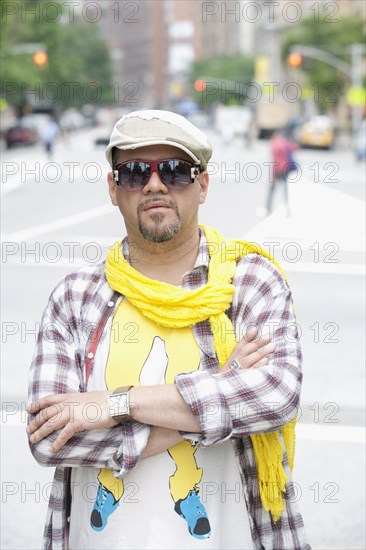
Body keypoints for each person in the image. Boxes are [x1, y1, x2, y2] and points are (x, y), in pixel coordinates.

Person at [27, 110, 310, 549]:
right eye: (136, 172)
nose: (155, 185)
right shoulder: (75, 296)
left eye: (175, 171)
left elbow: (274, 397)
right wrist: (220, 390)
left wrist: (115, 404)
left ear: (202, 186)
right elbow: (51, 439)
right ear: (113, 189)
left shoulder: (250, 281)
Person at [265, 129, 299, 217]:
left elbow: (275, 161)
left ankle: (268, 208)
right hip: (286, 168)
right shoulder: (284, 141)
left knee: (272, 189)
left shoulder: (274, 144)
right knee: (285, 189)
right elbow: (294, 148)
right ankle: (287, 207)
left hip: (278, 169)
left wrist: (272, 175)